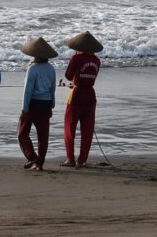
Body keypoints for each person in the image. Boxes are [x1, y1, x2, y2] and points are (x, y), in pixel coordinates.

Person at [61, 31, 102, 168]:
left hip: (76, 96)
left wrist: (75, 79)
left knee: (69, 129)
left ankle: (70, 159)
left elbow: (68, 76)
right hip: (90, 96)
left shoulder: (76, 58)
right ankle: (82, 160)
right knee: (87, 131)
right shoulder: (97, 60)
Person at [18, 37, 57, 171]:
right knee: (43, 136)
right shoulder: (51, 69)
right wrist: (52, 104)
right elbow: (52, 88)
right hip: (46, 104)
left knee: (22, 134)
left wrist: (24, 109)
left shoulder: (32, 69)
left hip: (33, 103)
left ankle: (32, 157)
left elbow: (27, 91)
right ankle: (40, 163)